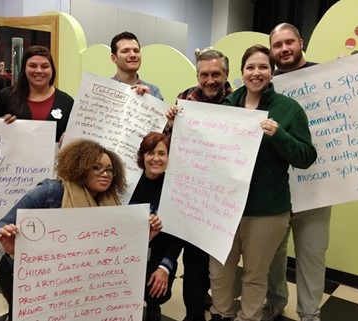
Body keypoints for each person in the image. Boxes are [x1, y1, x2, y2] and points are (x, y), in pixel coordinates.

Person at [263, 22, 358, 321]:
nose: (284, 49)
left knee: (311, 255)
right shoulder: (265, 84)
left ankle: (310, 314)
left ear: (300, 42)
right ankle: (274, 302)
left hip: (317, 186)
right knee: (273, 254)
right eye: (277, 45)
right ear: (272, 51)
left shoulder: (329, 77)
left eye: (289, 42)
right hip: (276, 189)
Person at [0, 139, 163, 320]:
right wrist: (9, 246)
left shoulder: (111, 201)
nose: (105, 174)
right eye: (96, 168)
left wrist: (146, 237)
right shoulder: (51, 191)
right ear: (80, 168)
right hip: (23, 278)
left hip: (72, 284)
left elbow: (116, 249)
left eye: (110, 169)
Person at [208, 44, 317, 321]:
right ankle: (221, 314)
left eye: (263, 67)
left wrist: (279, 135)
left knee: (255, 276)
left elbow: (306, 157)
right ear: (242, 73)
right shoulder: (227, 106)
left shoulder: (288, 109)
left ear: (272, 72)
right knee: (219, 271)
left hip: (267, 211)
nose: (257, 73)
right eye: (250, 67)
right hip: (225, 209)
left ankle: (249, 318)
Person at [165, 48, 233, 321]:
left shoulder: (239, 102)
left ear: (226, 75)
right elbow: (168, 142)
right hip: (192, 194)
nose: (210, 80)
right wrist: (169, 123)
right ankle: (193, 315)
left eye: (216, 74)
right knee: (193, 261)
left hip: (225, 198)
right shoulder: (185, 98)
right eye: (204, 74)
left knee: (219, 264)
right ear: (197, 75)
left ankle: (220, 311)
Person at [129, 132, 183, 321]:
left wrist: (165, 268)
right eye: (150, 153)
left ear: (169, 158)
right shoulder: (128, 184)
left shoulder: (175, 189)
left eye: (162, 153)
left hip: (159, 254)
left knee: (156, 290)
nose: (156, 159)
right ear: (142, 156)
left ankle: (153, 308)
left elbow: (178, 237)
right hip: (129, 252)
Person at [0, 46, 73, 143]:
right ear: (24, 69)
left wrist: (70, 138)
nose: (39, 71)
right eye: (32, 66)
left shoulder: (66, 102)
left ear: (52, 70)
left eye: (45, 66)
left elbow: (77, 140)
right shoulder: (5, 97)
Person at [110, 31, 164, 99]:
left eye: (136, 51)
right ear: (114, 58)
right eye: (125, 51)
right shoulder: (103, 90)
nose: (133, 55)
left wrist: (149, 100)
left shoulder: (154, 91)